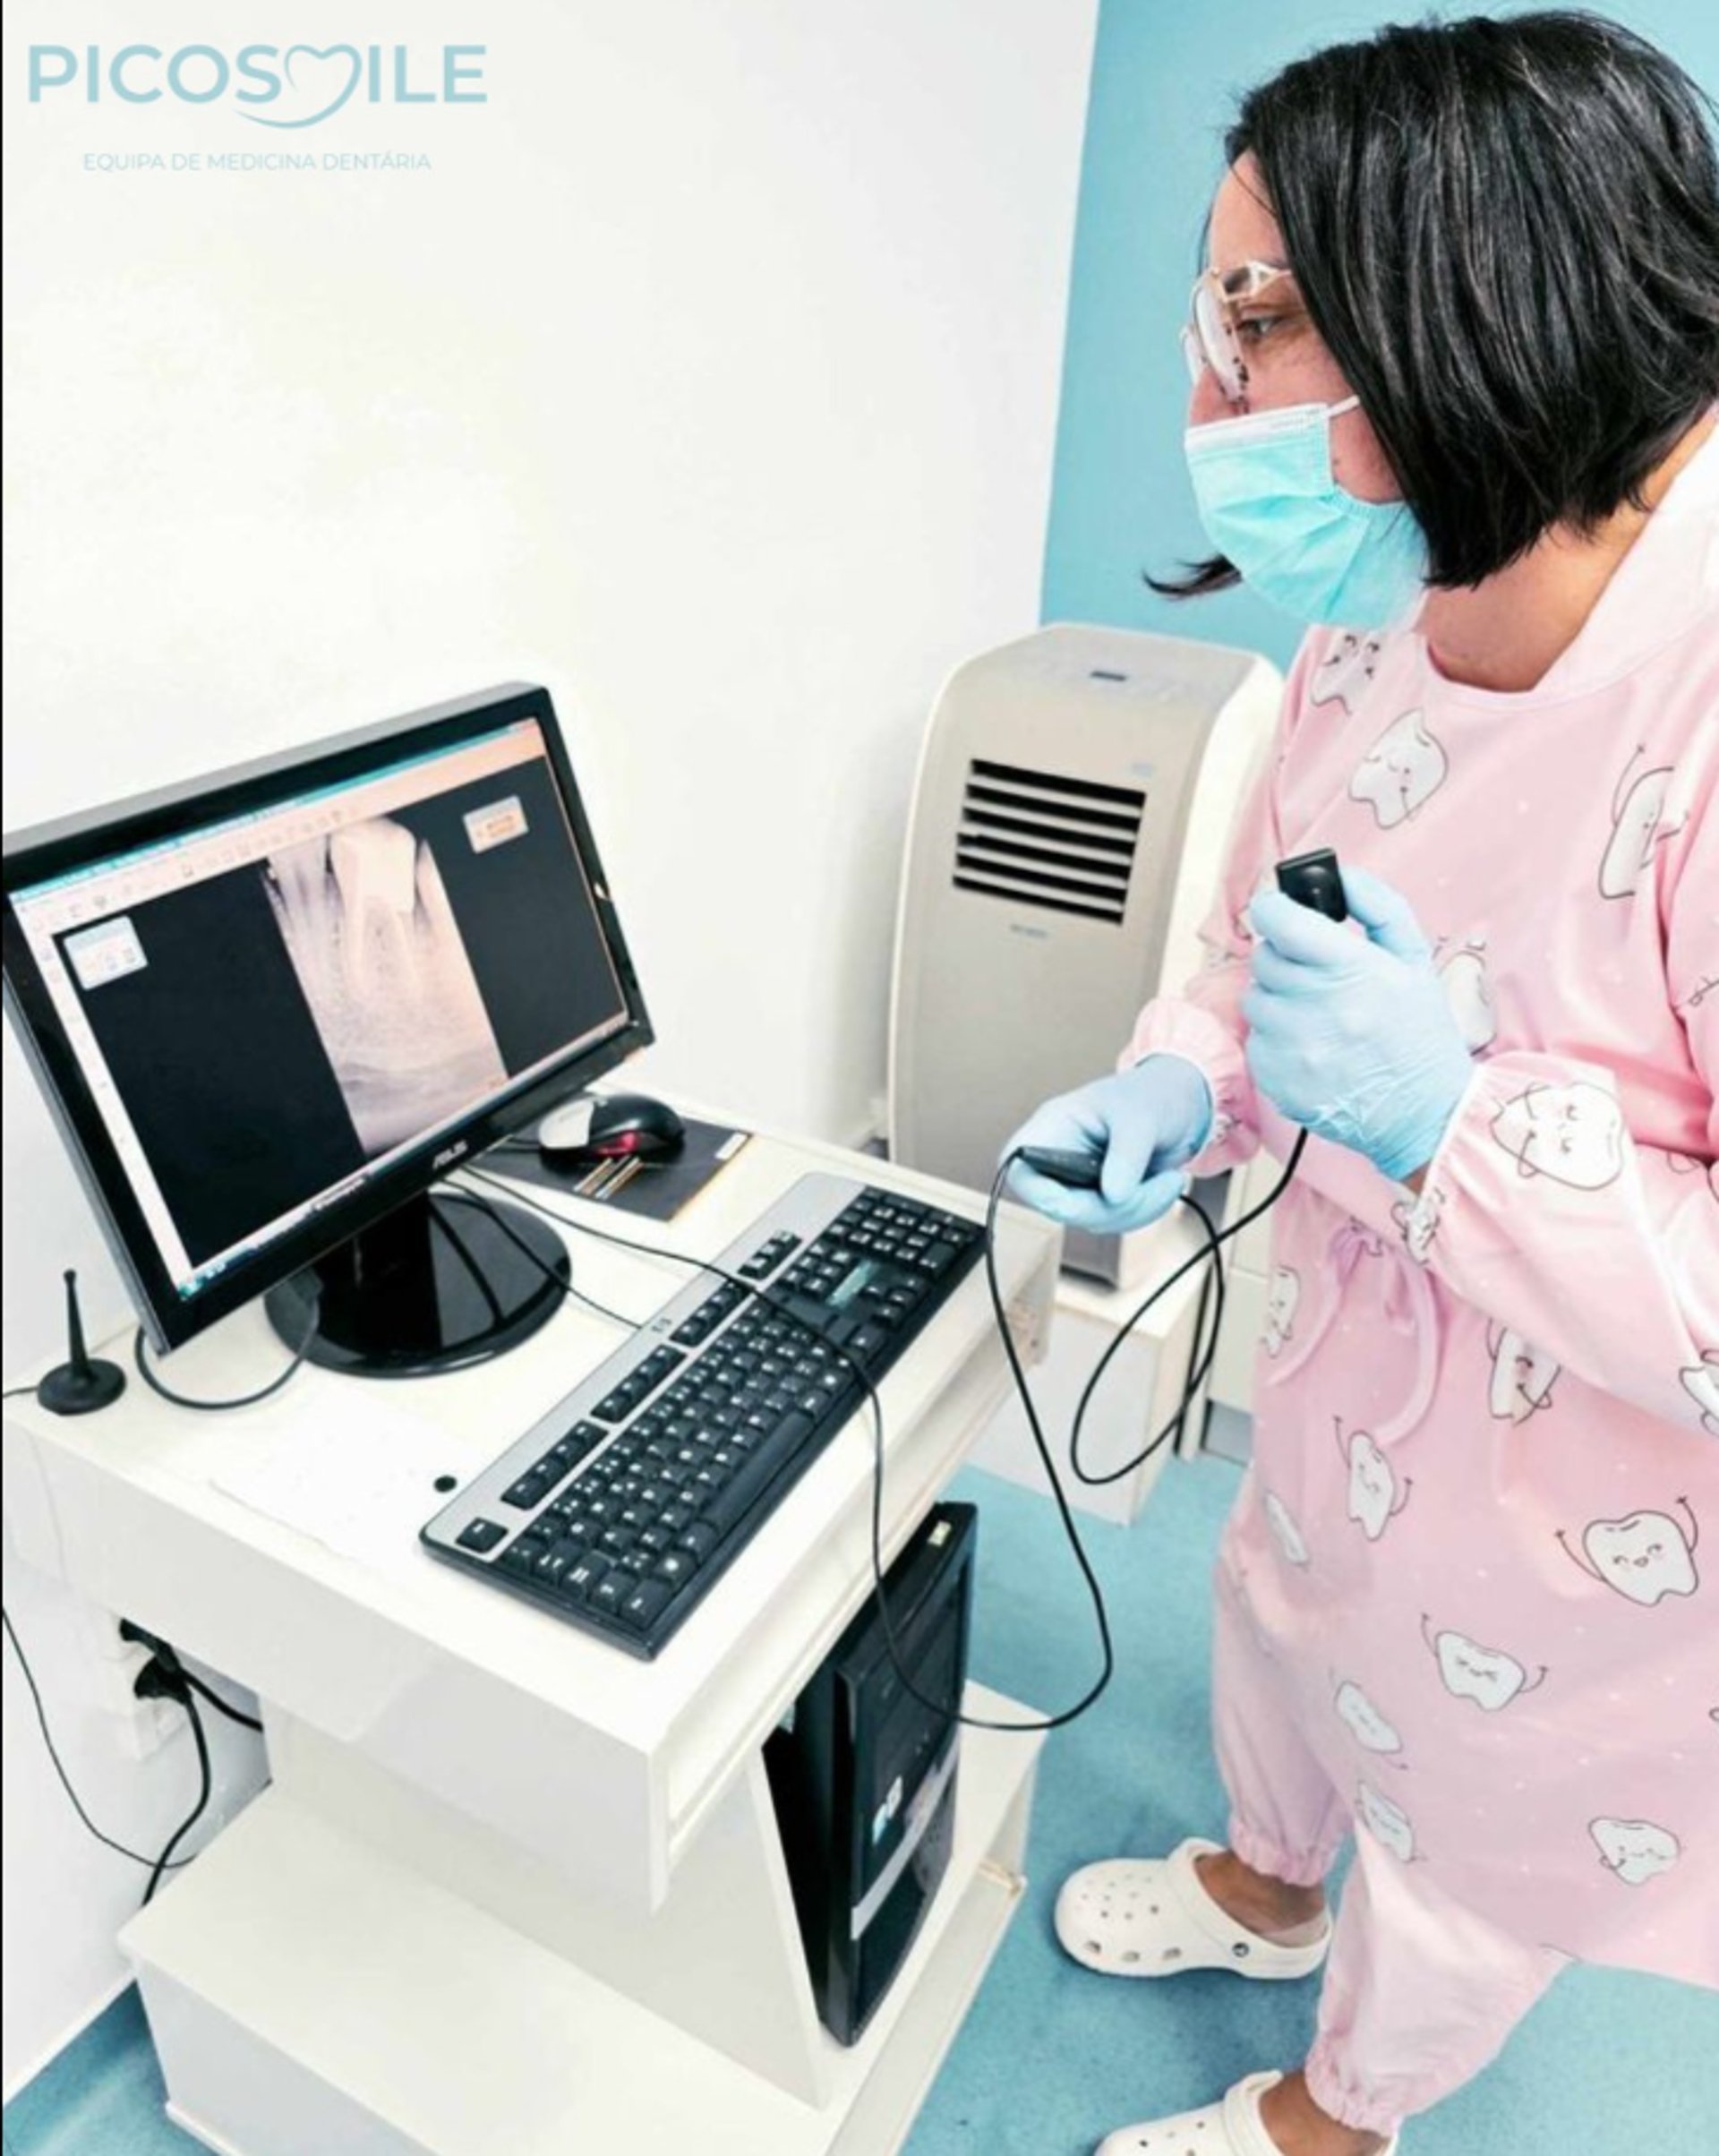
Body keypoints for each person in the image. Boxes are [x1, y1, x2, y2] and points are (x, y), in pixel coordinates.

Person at [1003, 14, 1718, 2154]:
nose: (1207, 400)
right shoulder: (1399, 584)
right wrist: (1183, 1080)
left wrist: (1453, 1126)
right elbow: (1260, 940)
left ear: (1478, 300)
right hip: (1350, 1389)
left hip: (1591, 1530)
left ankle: (1339, 2115)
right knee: (1286, 1617)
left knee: (1472, 1838)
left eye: (1254, 324)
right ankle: (1266, 1879)